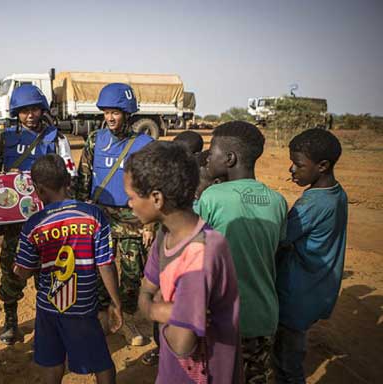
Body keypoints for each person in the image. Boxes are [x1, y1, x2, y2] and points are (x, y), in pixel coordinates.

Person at [126, 141, 243, 383]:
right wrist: (165, 309)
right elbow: (146, 291)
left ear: (156, 198)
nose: (129, 204)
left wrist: (154, 307)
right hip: (172, 372)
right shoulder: (165, 235)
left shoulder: (201, 255)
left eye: (132, 197)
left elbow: (182, 343)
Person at [0, 84, 76, 345]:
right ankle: (10, 322)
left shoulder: (57, 140)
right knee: (11, 273)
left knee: (51, 274)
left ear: (42, 110)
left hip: (49, 222)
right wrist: (0, 180)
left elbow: (70, 177)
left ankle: (49, 322)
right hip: (16, 225)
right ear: (16, 113)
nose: (30, 115)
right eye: (24, 111)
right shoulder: (3, 139)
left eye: (34, 109)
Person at [13, 154, 122, 384]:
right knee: (102, 362)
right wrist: (116, 302)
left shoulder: (34, 224)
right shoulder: (94, 216)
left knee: (52, 363)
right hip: (83, 306)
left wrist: (19, 270)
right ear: (69, 182)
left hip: (49, 307)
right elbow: (105, 264)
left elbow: (23, 272)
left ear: (39, 190)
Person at [195, 121, 287, 383]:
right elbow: (277, 251)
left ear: (229, 158)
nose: (209, 157)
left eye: (212, 152)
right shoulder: (278, 201)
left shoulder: (212, 197)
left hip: (222, 316)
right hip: (264, 316)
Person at [74, 83, 154, 346]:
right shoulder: (95, 139)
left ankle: (127, 318)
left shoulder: (144, 144)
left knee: (132, 274)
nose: (110, 118)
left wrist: (150, 224)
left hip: (133, 220)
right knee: (99, 271)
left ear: (128, 114)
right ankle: (103, 316)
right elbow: (82, 180)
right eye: (106, 112)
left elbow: (153, 186)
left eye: (116, 113)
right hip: (100, 220)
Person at [273, 128, 348, 384]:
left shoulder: (312, 204)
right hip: (318, 287)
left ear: (323, 165)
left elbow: (281, 239)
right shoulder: (337, 193)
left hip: (297, 292)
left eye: (298, 164)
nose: (292, 170)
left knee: (286, 362)